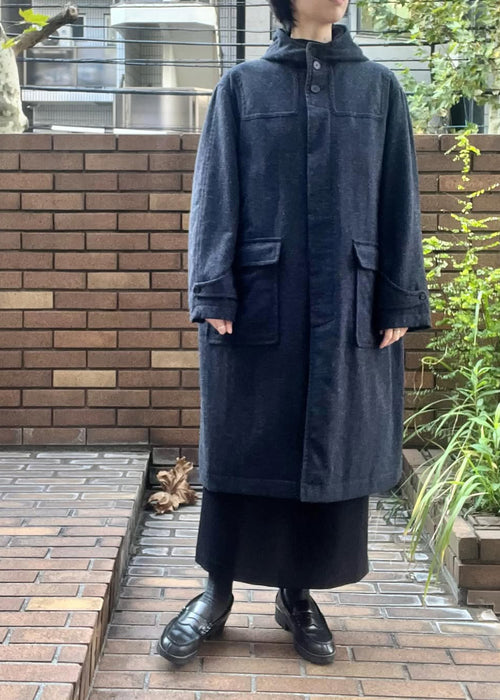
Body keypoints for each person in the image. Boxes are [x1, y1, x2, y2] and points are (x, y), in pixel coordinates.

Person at [158, 0, 431, 667]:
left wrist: (398, 294)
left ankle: (297, 595)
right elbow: (214, 190)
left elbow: (400, 194)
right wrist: (213, 284)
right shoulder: (242, 87)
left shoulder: (379, 89)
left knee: (328, 445)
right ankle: (216, 592)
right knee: (241, 440)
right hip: (259, 299)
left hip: (348, 299)